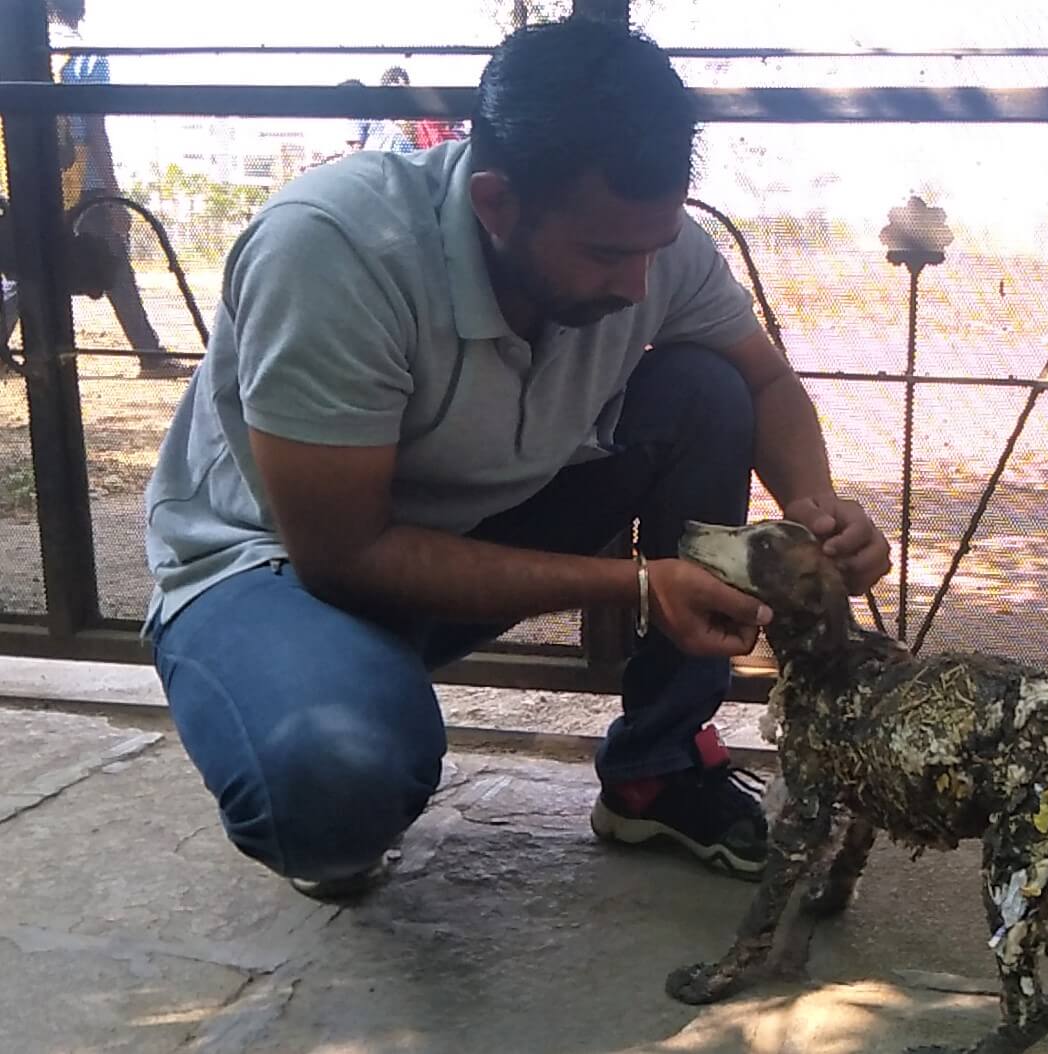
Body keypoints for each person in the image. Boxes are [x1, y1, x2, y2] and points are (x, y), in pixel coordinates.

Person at [143, 17, 891, 901]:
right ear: (496, 203)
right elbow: (344, 556)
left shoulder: (652, 249)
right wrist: (640, 586)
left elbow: (764, 382)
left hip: (471, 530)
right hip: (281, 572)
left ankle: (660, 768)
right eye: (607, 253)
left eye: (652, 247)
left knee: (706, 389)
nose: (636, 287)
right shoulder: (334, 247)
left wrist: (816, 504)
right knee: (334, 782)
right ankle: (331, 746)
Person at [49, 0, 193, 379]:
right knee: (114, 262)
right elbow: (95, 129)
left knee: (26, 266)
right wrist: (115, 196)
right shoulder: (85, 55)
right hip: (85, 182)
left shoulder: (22, 53)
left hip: (34, 178)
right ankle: (150, 355)